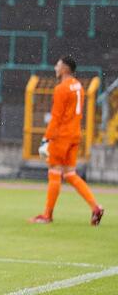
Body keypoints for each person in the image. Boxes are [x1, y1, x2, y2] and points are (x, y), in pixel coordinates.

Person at [30, 56, 105, 225]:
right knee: (70, 174)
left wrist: (46, 138)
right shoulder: (78, 86)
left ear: (64, 69)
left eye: (57, 65)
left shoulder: (61, 88)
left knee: (54, 172)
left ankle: (47, 215)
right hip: (75, 134)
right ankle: (95, 207)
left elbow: (56, 117)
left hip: (62, 135)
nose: (55, 68)